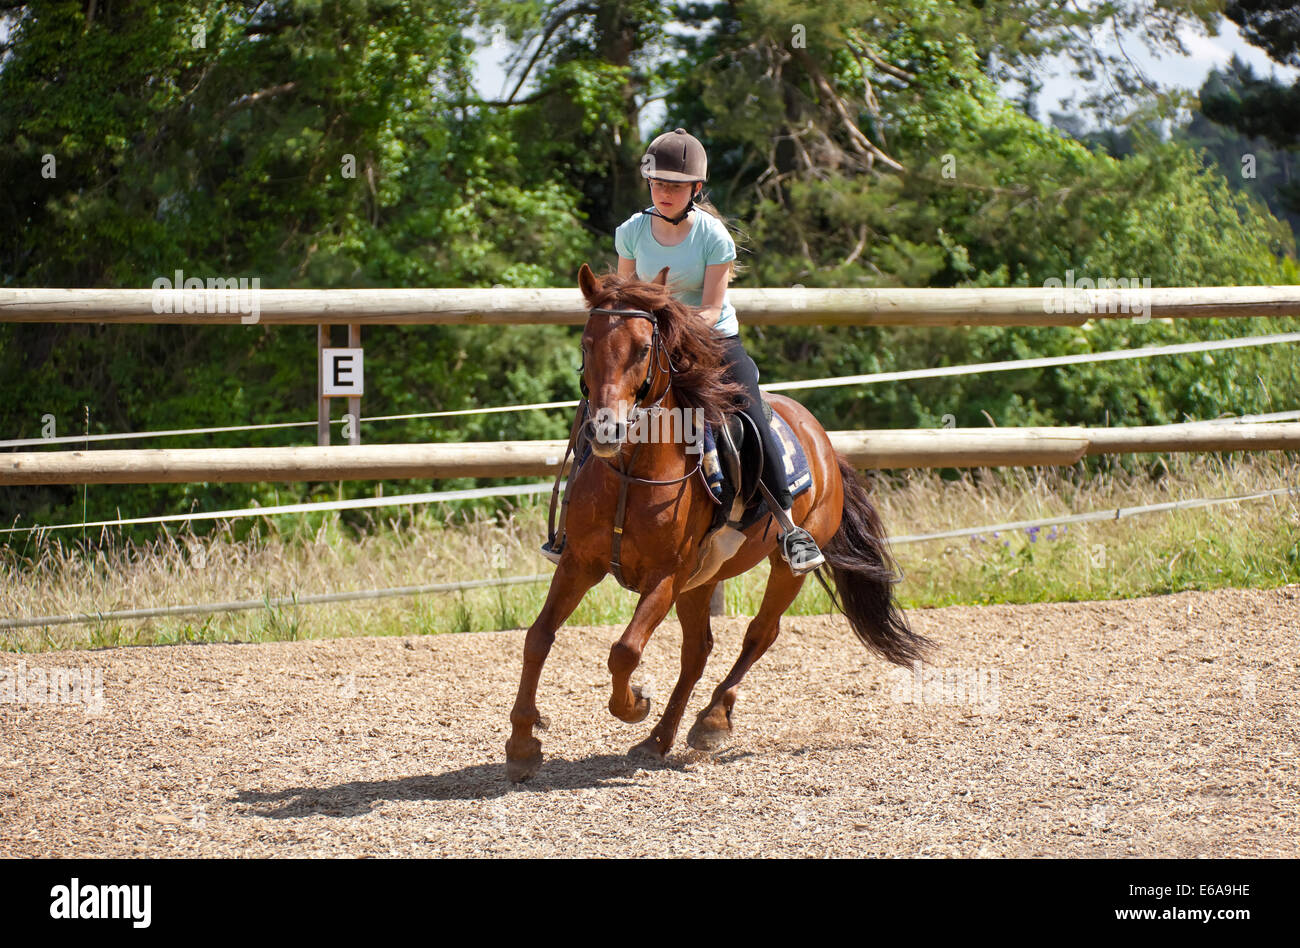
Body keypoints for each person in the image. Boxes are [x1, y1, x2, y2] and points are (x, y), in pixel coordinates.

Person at [543, 127, 824, 573]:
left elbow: (712, 308)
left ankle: (791, 527)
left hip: (711, 340)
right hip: (648, 343)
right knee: (596, 405)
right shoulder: (631, 232)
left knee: (750, 408)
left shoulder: (714, 237)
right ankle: (569, 525)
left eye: (675, 185)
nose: (665, 192)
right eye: (658, 183)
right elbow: (626, 298)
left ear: (696, 189)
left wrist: (674, 330)